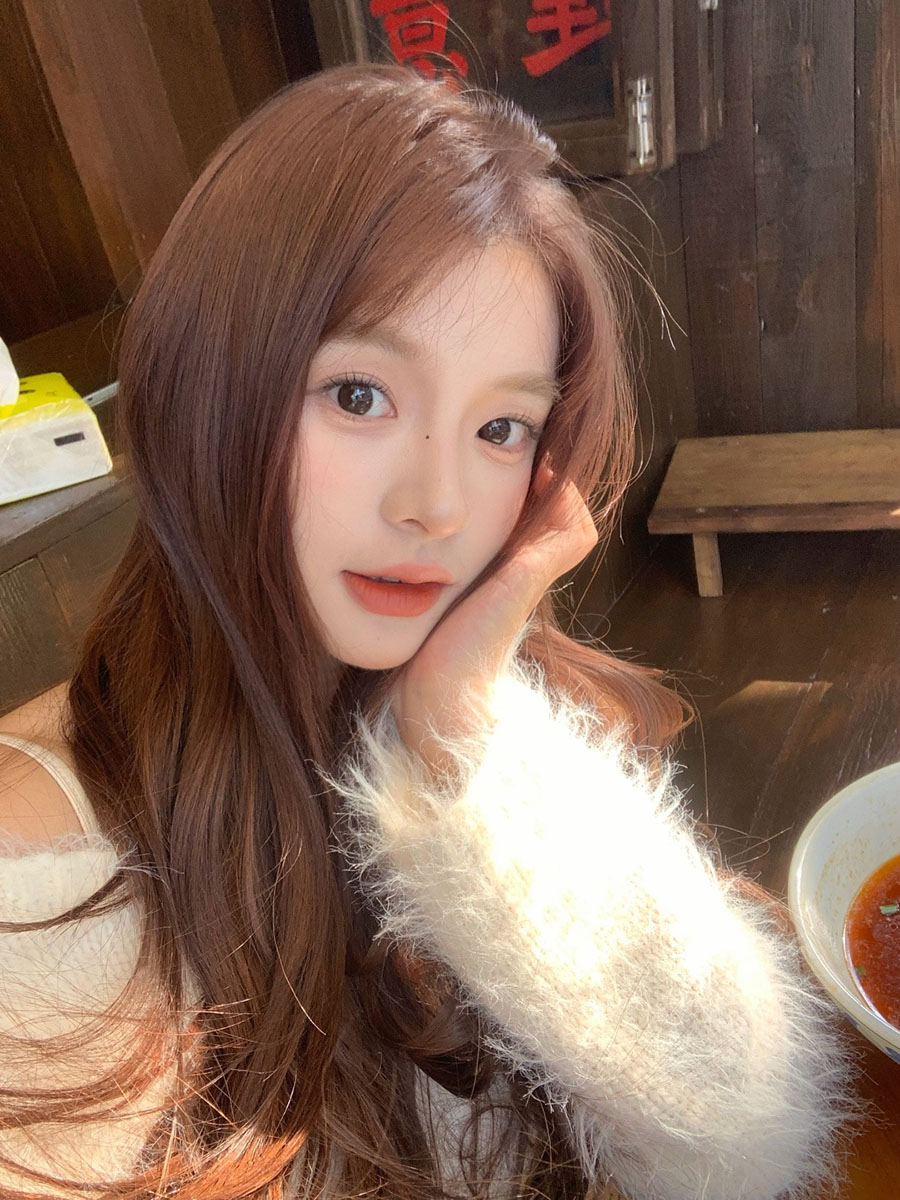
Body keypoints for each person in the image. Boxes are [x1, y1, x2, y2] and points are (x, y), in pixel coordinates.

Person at [0, 64, 858, 1200]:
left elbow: (739, 1143)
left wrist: (460, 747)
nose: (437, 505)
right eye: (359, 395)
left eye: (501, 426)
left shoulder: (498, 717)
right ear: (208, 383)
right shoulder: (34, 873)